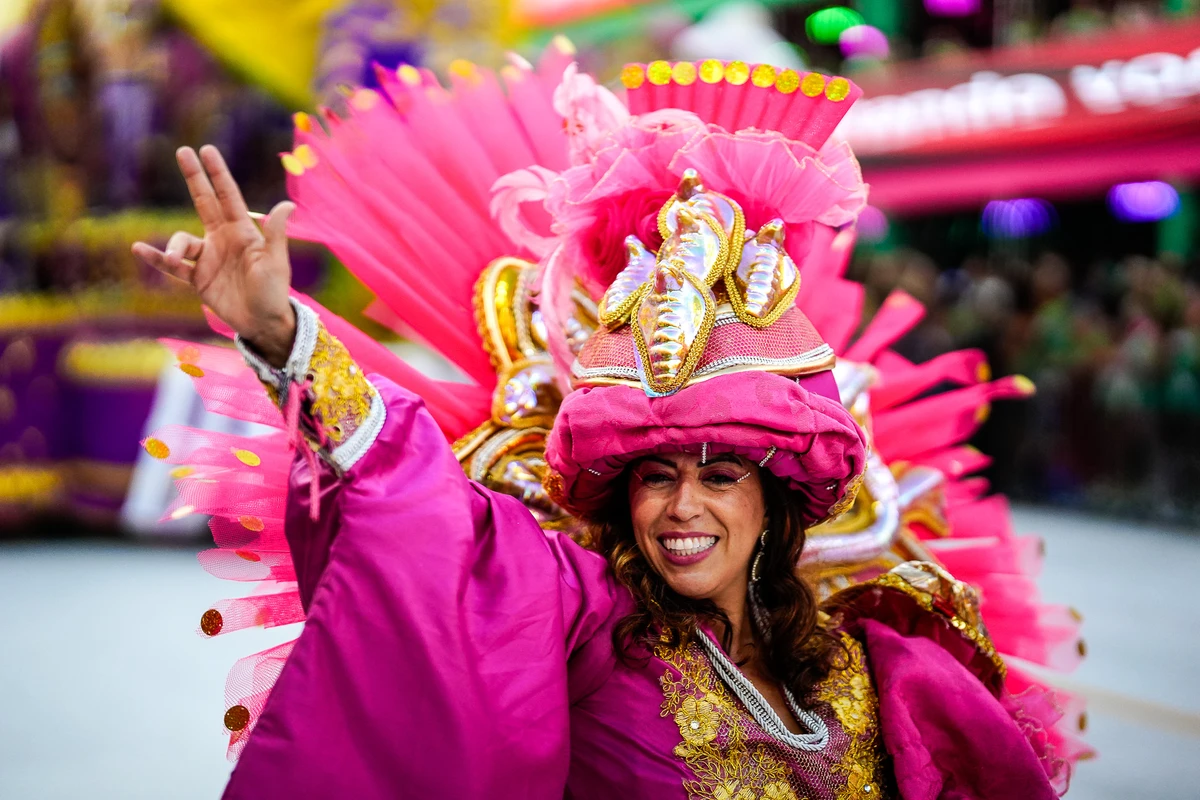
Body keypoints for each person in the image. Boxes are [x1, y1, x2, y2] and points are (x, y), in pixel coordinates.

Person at [134, 55, 1083, 799]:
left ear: (777, 494)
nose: (681, 507)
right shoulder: (583, 625)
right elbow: (436, 520)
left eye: (718, 475)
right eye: (655, 474)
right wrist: (281, 334)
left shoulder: (882, 672)